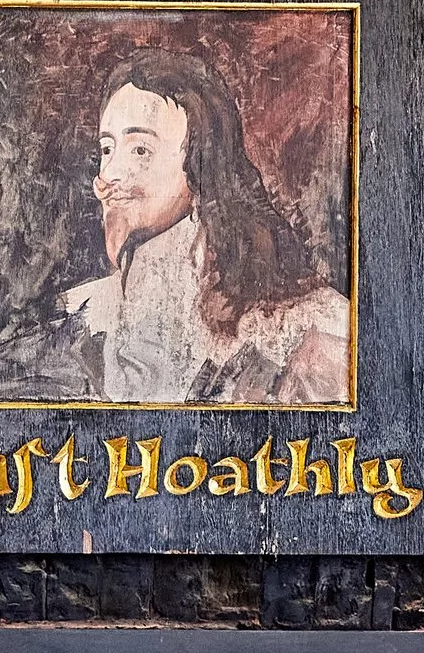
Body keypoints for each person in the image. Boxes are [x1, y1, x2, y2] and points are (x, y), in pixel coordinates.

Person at [56, 52, 350, 405]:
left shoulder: (304, 324)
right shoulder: (79, 313)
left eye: (140, 150)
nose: (108, 176)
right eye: (107, 148)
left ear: (200, 162)